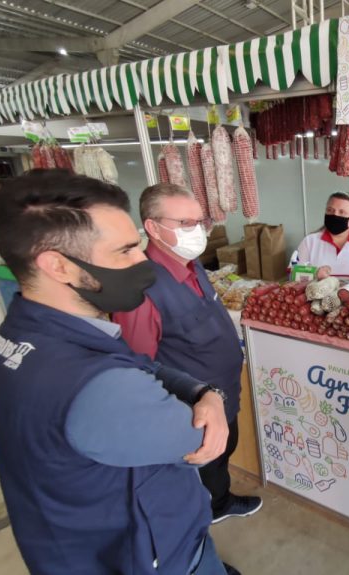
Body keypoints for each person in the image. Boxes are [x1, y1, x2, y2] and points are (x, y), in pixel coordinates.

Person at [0, 171, 229, 575]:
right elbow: (201, 440)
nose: (142, 261)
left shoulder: (22, 335)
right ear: (58, 266)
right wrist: (212, 403)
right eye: (125, 251)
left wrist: (205, 392)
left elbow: (141, 365)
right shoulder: (97, 387)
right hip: (156, 560)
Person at [113, 185, 261, 550]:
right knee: (192, 487)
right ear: (152, 227)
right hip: (190, 413)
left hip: (222, 397)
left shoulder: (192, 266)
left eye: (199, 221)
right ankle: (198, 550)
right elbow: (138, 368)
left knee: (221, 458)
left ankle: (220, 503)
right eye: (185, 222)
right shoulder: (142, 290)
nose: (198, 230)